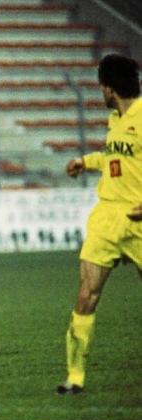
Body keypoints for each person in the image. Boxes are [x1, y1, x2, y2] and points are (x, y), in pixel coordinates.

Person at [58, 54, 142, 394]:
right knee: (85, 297)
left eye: (102, 86)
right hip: (107, 218)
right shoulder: (114, 118)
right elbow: (115, 158)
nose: (101, 92)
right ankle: (75, 377)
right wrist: (86, 161)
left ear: (109, 86)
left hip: (139, 219)